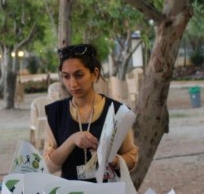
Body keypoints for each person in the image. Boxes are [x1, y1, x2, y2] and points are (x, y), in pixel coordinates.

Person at [44, 43, 138, 182]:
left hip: (109, 193)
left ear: (94, 74)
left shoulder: (118, 112)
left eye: (79, 75)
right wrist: (72, 140)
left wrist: (114, 160)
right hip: (71, 193)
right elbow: (49, 166)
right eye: (66, 76)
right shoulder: (56, 113)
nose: (73, 84)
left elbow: (132, 159)